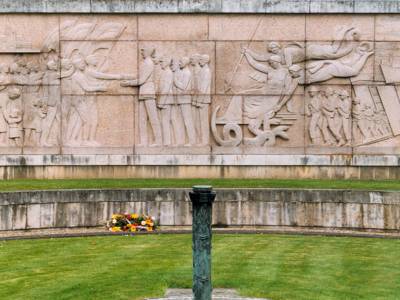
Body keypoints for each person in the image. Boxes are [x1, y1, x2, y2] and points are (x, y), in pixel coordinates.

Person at [121, 47, 162, 146]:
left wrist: (128, 83)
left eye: (143, 51)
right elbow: (138, 75)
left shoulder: (149, 63)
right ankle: (144, 142)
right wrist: (124, 76)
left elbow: (141, 80)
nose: (142, 52)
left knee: (153, 118)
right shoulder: (145, 63)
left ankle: (159, 141)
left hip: (148, 92)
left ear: (148, 52)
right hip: (143, 92)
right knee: (142, 119)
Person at [173, 56, 196, 146]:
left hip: (185, 100)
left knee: (188, 120)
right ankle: (182, 141)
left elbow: (183, 87)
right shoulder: (183, 72)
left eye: (181, 62)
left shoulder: (187, 73)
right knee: (182, 121)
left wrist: (175, 81)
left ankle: (192, 141)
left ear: (186, 63)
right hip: (181, 100)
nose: (179, 63)